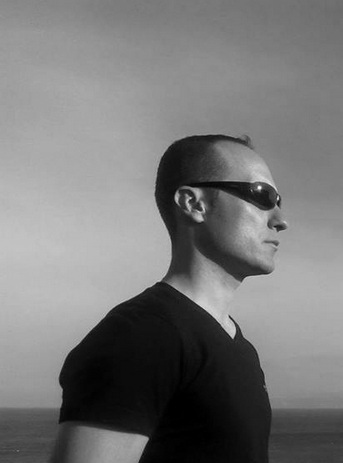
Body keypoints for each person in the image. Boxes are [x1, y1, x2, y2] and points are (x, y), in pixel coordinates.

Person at [51, 134, 288, 463]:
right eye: (262, 195)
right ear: (193, 204)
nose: (280, 220)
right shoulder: (141, 335)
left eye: (279, 201)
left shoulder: (239, 347)